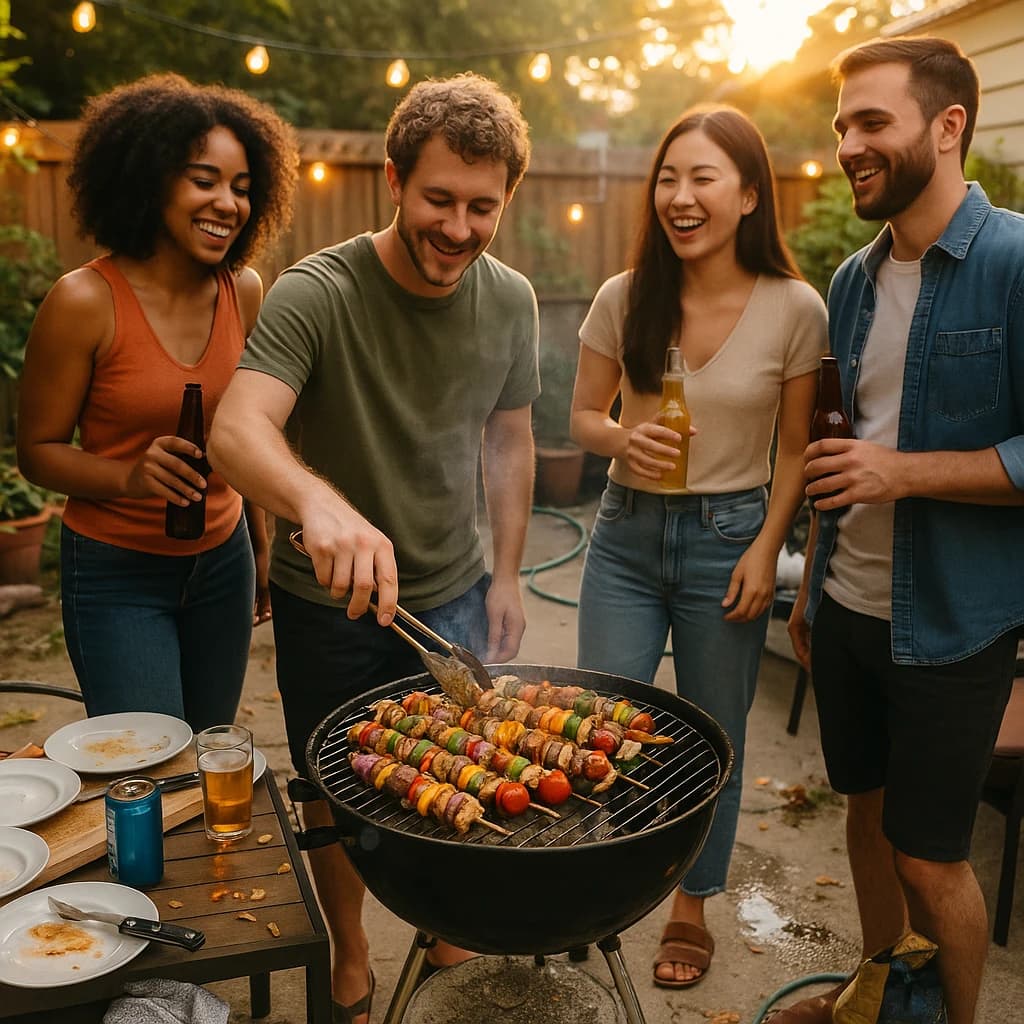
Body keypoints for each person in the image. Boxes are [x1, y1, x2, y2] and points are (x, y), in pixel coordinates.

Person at [207, 73, 537, 1023]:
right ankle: (351, 947)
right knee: (337, 790)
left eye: (483, 207)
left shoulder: (509, 299)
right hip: (333, 600)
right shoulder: (321, 289)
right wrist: (317, 502)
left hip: (456, 586)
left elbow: (509, 437)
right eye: (439, 200)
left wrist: (507, 571)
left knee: (456, 768)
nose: (460, 228)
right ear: (394, 180)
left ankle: (442, 925)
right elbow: (239, 429)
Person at [780, 37, 1024, 1024]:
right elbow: (842, 451)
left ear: (947, 125)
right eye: (842, 125)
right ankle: (875, 996)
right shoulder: (851, 280)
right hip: (846, 606)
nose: (847, 143)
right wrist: (809, 585)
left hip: (955, 625)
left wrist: (901, 472)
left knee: (931, 856)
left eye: (870, 121)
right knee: (867, 820)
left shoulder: (1013, 261)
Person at [570, 104, 826, 988]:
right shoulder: (624, 294)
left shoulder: (797, 308)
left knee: (713, 737)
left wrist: (767, 545)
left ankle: (691, 906)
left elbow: (796, 450)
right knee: (603, 724)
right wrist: (617, 441)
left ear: (750, 194)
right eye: (669, 178)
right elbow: (580, 418)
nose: (680, 196)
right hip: (626, 537)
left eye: (703, 177)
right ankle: (600, 884)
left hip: (730, 538)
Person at [17, 73, 298, 732]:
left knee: (204, 754)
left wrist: (258, 549)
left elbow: (249, 431)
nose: (227, 203)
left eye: (241, 188)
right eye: (204, 181)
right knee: (148, 768)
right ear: (149, 180)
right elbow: (37, 453)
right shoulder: (83, 302)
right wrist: (129, 475)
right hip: (117, 574)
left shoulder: (245, 290)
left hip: (223, 564)